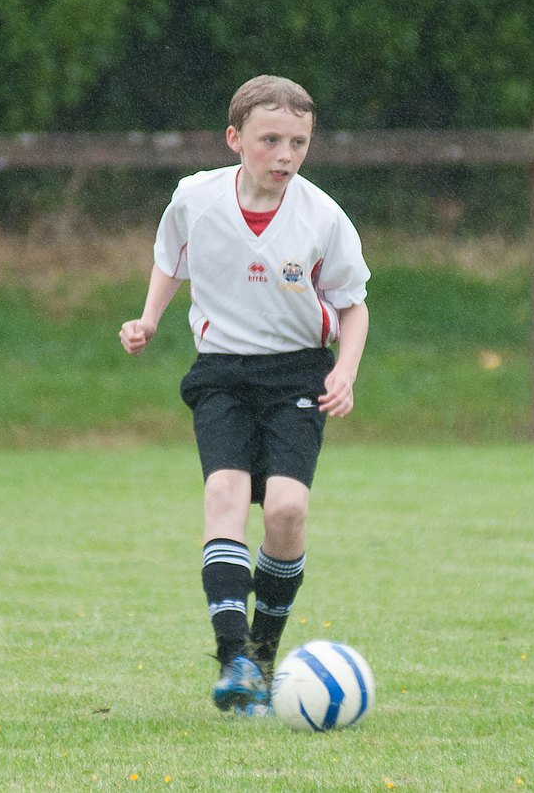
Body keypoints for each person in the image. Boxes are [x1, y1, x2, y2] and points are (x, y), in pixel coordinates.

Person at [119, 75, 370, 715]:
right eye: (270, 141)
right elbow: (171, 257)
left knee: (286, 511)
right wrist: (148, 319)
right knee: (224, 494)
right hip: (223, 373)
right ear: (235, 139)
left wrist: (344, 371)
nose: (285, 155)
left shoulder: (322, 217)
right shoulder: (195, 198)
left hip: (297, 375)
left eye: (298, 143)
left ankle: (263, 650)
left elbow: (352, 304)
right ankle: (233, 659)